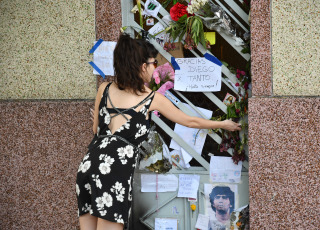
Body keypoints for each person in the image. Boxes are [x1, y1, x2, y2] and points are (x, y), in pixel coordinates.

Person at [76, 33, 241, 230]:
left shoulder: (104, 88)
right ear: (143, 66)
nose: (155, 67)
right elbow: (189, 121)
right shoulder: (150, 98)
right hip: (113, 170)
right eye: (154, 62)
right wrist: (223, 124)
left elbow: (96, 129)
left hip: (89, 165)